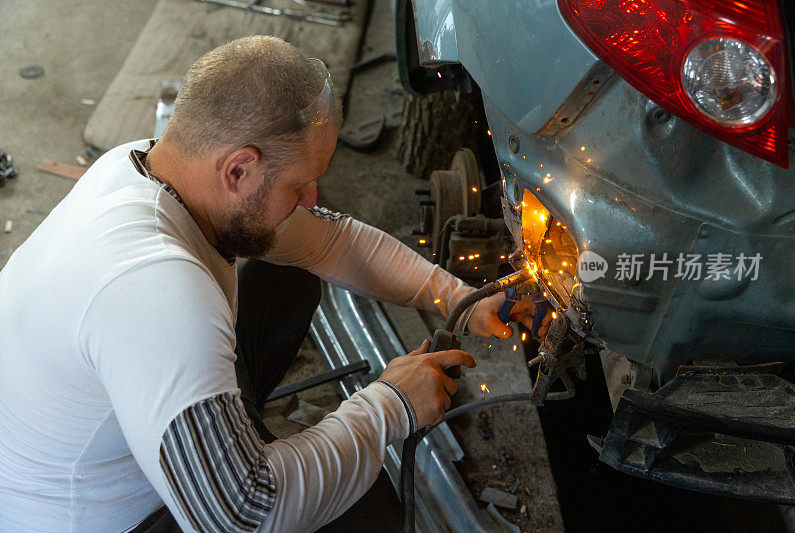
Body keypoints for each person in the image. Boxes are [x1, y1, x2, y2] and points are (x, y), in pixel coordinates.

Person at [0, 36, 529, 532]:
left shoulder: (146, 166)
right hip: (101, 517)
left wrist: (458, 298)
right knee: (367, 514)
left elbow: (334, 243)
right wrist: (391, 405)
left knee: (287, 280)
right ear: (238, 170)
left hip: (112, 424)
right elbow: (240, 515)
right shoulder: (158, 293)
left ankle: (228, 435)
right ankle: (232, 448)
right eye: (300, 183)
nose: (311, 198)